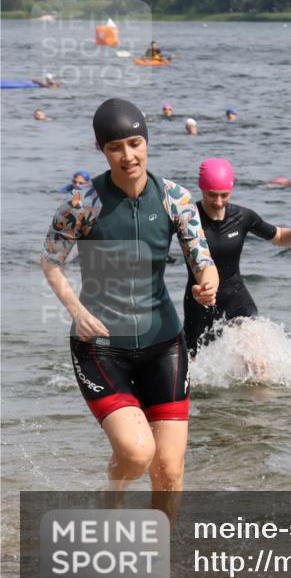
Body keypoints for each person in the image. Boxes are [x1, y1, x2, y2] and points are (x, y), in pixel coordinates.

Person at [41, 98, 219, 520]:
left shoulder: (174, 198)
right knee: (138, 454)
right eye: (115, 147)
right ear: (101, 150)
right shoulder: (83, 204)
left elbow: (202, 258)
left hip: (164, 343)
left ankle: (160, 550)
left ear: (147, 142)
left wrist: (207, 281)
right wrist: (76, 311)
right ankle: (113, 495)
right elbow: (50, 262)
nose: (128, 156)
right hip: (101, 346)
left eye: (135, 144)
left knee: (169, 470)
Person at [183, 158, 291, 361]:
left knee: (256, 357)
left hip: (236, 298)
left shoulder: (242, 216)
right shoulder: (188, 218)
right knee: (194, 364)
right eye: (212, 195)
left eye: (224, 195)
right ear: (202, 189)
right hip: (200, 301)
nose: (218, 201)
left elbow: (279, 236)